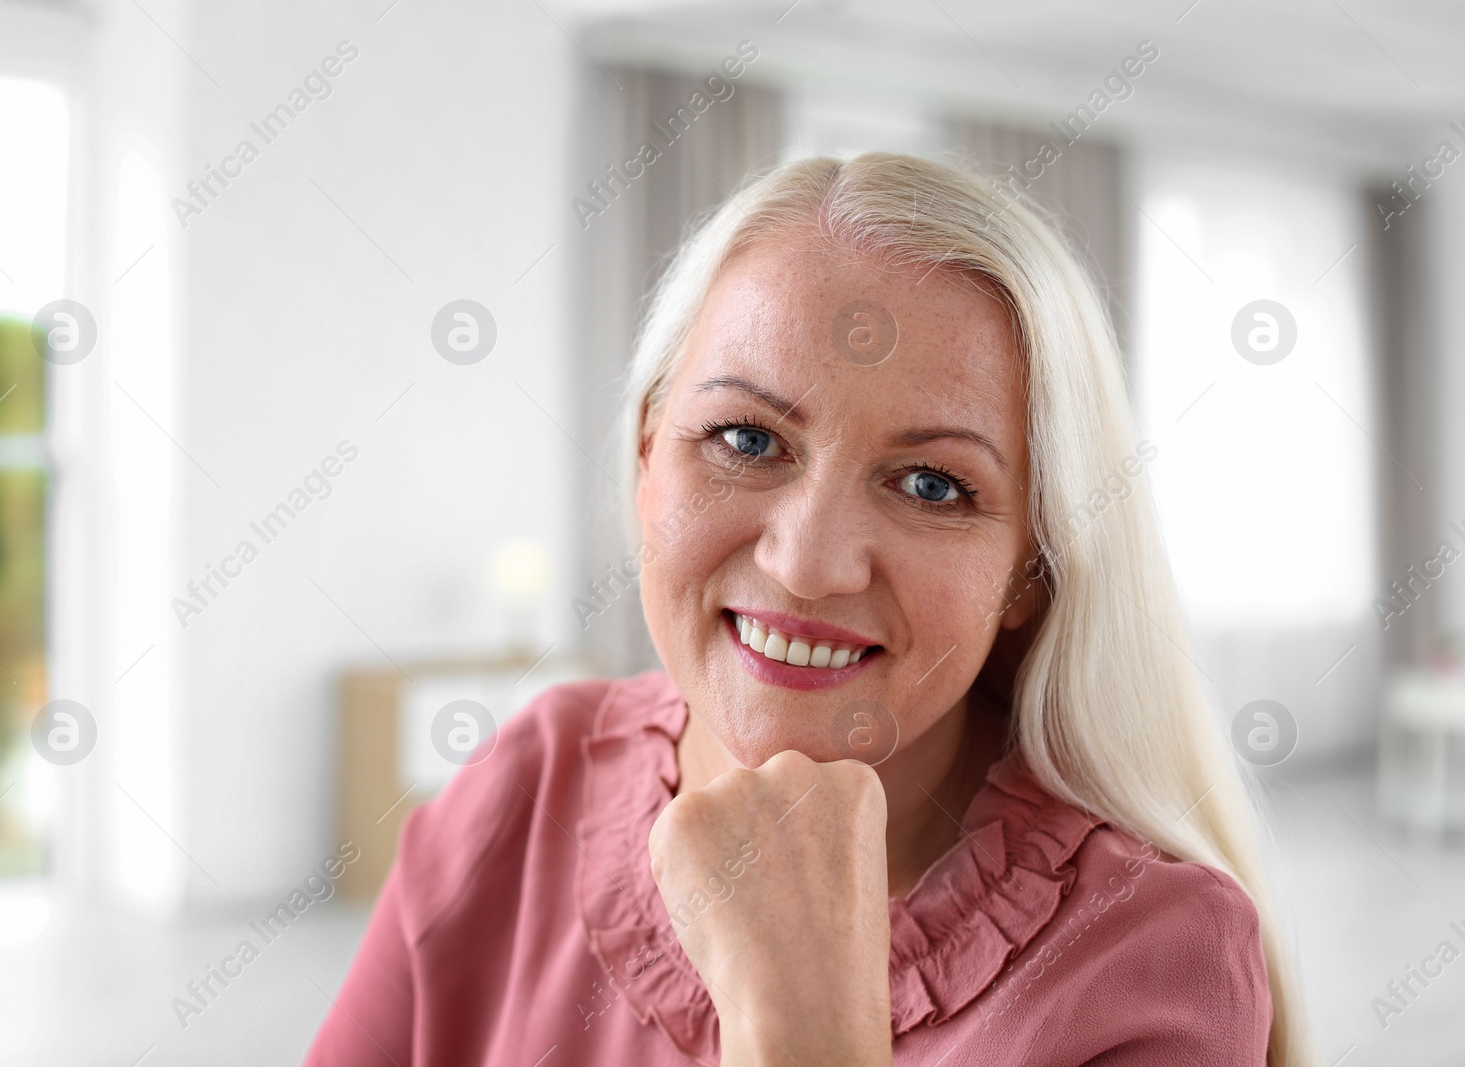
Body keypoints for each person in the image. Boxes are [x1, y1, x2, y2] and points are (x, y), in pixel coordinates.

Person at [303, 153, 1307, 1065]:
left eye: (930, 485)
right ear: (648, 451)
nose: (807, 562)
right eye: (745, 439)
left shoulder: (1150, 960)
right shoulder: (526, 779)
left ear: (1028, 570)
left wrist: (800, 1026)